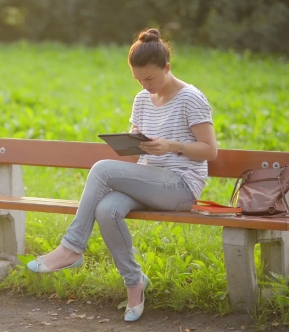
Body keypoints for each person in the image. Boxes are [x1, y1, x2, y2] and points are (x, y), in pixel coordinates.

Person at [26, 28, 218, 322]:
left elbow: (210, 151)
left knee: (102, 169)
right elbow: (132, 156)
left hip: (179, 187)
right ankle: (134, 283)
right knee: (107, 209)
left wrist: (171, 146)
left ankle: (71, 248)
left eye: (150, 78)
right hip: (148, 181)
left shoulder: (191, 98)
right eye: (139, 79)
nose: (145, 85)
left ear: (167, 67)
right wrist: (130, 145)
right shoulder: (142, 99)